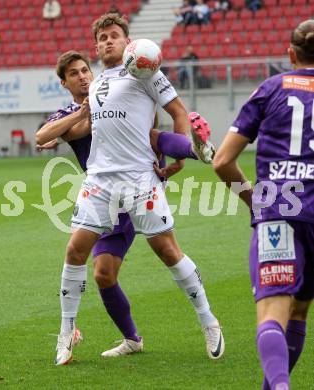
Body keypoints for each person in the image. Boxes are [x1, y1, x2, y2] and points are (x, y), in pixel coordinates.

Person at [49, 13, 224, 366]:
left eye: (114, 35)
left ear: (127, 41)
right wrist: (55, 133)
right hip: (99, 180)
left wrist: (178, 157)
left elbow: (177, 111)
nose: (107, 41)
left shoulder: (145, 70)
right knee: (74, 252)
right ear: (96, 46)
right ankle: (66, 333)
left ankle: (209, 321)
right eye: (102, 38)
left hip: (139, 178)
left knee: (168, 251)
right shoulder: (96, 85)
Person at [213, 19, 314, 390]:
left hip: (278, 211)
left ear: (290, 54)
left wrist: (254, 202)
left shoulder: (270, 89)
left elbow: (222, 161)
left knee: (274, 312)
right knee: (300, 310)